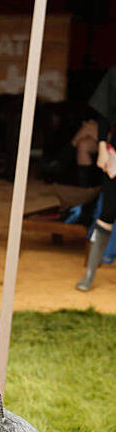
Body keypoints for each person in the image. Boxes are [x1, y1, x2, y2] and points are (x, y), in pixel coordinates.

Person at [76, 64, 116, 291]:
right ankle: (90, 274)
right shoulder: (114, 73)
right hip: (115, 154)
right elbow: (104, 112)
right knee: (108, 212)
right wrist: (102, 146)